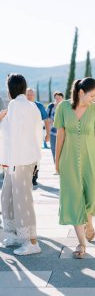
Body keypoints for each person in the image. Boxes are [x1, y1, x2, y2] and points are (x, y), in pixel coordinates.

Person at [54, 77, 95, 259]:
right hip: (69, 161)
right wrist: (57, 161)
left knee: (90, 197)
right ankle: (81, 243)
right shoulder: (63, 108)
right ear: (81, 93)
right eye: (92, 95)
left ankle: (89, 221)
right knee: (74, 200)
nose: (94, 99)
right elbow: (60, 135)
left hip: (92, 161)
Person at [0, 74, 42, 255]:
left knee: (22, 200)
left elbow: (12, 135)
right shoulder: (31, 106)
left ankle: (31, 242)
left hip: (18, 160)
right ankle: (16, 234)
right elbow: (36, 134)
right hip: (21, 160)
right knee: (8, 196)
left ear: (10, 89)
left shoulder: (15, 105)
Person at [26, 88, 50, 185]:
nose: (30, 96)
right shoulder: (22, 106)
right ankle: (26, 175)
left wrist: (48, 134)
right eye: (28, 94)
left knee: (36, 157)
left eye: (31, 94)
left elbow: (46, 120)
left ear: (34, 96)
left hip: (37, 137)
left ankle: (34, 176)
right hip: (24, 137)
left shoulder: (39, 106)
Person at [46, 91, 64, 168]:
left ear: (62, 98)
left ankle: (63, 166)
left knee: (63, 149)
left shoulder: (65, 107)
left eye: (59, 98)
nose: (57, 99)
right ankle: (57, 167)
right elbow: (45, 117)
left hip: (63, 132)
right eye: (56, 98)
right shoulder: (51, 107)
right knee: (54, 149)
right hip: (53, 133)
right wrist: (48, 120)